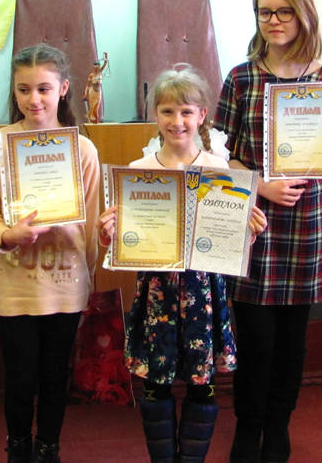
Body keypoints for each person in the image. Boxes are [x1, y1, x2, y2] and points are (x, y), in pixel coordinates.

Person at [214, 0, 322, 463]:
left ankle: (278, 426)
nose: (273, 21)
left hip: (305, 225)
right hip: (254, 225)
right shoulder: (241, 77)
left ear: (303, 14)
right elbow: (218, 154)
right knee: (256, 340)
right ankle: (247, 427)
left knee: (292, 343)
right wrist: (258, 185)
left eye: (283, 11)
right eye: (264, 12)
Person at [97, 65, 267, 463]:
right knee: (155, 385)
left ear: (202, 115)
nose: (178, 121)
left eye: (187, 111)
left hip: (203, 294)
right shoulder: (137, 174)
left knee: (202, 385)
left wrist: (249, 230)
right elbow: (120, 245)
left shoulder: (221, 172)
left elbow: (230, 241)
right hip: (156, 293)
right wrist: (109, 233)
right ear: (155, 115)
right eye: (168, 111)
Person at [0, 44, 100, 463]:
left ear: (63, 89)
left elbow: (91, 224)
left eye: (44, 89)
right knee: (19, 377)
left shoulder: (82, 150)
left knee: (54, 376)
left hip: (65, 283)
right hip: (16, 284)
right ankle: (18, 446)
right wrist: (7, 235)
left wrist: (88, 276)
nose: (34, 100)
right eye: (24, 90)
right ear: (13, 91)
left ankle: (48, 446)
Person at [82, 51, 109, 124]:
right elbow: (88, 85)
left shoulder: (100, 72)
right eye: (95, 67)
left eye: (97, 66)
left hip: (98, 93)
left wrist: (106, 56)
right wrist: (85, 93)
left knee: (96, 108)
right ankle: (94, 123)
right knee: (93, 109)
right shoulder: (91, 75)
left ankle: (95, 123)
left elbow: (105, 63)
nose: (96, 68)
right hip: (92, 92)